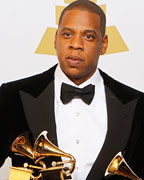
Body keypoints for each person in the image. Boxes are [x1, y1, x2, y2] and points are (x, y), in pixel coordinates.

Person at [0, 0, 144, 180]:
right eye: (67, 34)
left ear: (104, 44)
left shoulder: (139, 104)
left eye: (88, 36)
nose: (76, 44)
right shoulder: (12, 96)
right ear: (55, 39)